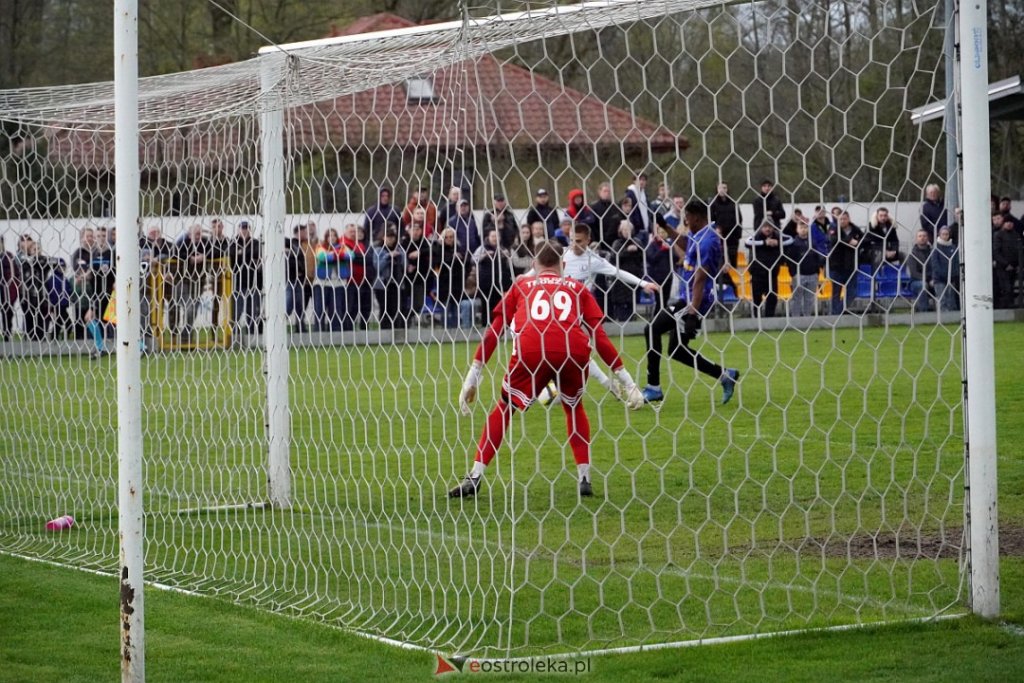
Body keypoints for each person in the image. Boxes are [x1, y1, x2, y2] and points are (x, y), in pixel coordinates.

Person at [449, 240, 644, 499]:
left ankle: (474, 477)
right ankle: (584, 478)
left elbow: (493, 331)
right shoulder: (576, 287)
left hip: (532, 349)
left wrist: (472, 377)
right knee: (574, 406)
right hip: (572, 350)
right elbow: (599, 337)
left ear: (533, 265)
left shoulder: (521, 285)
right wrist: (628, 382)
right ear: (563, 266)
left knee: (505, 408)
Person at [531, 222, 659, 406]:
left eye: (580, 241)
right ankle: (609, 384)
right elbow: (538, 269)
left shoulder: (594, 259)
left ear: (588, 241)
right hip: (559, 314)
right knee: (577, 352)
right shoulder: (561, 255)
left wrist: (643, 283)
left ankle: (628, 386)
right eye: (573, 240)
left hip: (581, 310)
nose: (575, 244)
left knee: (594, 344)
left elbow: (617, 272)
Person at [641, 199, 741, 406]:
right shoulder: (700, 234)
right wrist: (666, 227)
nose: (685, 220)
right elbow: (687, 245)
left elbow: (700, 279)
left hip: (694, 300)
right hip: (690, 298)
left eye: (687, 217)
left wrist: (692, 314)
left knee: (652, 329)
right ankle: (725, 375)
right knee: (677, 350)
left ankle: (653, 387)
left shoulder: (707, 241)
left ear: (696, 217)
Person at [745, 216, 792, 318]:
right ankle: (756, 321)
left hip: (772, 274)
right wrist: (764, 243)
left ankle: (769, 321)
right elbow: (747, 242)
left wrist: (778, 243)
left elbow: (790, 240)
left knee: (772, 299)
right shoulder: (756, 236)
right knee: (757, 299)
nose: (767, 229)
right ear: (761, 227)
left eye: (770, 226)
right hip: (757, 274)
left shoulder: (777, 236)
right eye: (765, 226)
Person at [472, 229, 515, 325]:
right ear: (488, 237)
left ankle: (499, 325)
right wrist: (484, 256)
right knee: (486, 304)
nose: (495, 238)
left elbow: (510, 266)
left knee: (499, 305)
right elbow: (473, 260)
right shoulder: (482, 248)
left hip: (500, 283)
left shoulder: (503, 249)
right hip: (486, 283)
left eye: (497, 236)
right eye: (493, 236)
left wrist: (507, 257)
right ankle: (485, 325)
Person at [228, 220, 263, 335]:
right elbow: (232, 256)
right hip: (238, 283)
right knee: (237, 311)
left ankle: (252, 335)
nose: (245, 230)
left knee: (252, 311)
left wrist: (242, 253)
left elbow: (257, 255)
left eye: (246, 228)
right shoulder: (233, 243)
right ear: (238, 229)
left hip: (254, 283)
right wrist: (247, 255)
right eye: (242, 228)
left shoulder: (255, 242)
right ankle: (235, 335)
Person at [608, 220, 646, 321]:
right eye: (624, 229)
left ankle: (631, 322)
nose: (626, 231)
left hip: (634, 278)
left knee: (632, 303)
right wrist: (627, 251)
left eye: (628, 229)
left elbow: (643, 257)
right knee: (621, 304)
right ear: (620, 231)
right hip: (621, 279)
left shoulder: (637, 242)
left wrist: (637, 250)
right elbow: (614, 257)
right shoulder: (617, 243)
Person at [784, 221, 824, 317]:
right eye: (801, 227)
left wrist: (817, 271)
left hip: (812, 275)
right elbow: (789, 260)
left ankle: (807, 318)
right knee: (797, 298)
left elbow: (817, 257)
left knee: (809, 299)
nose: (803, 230)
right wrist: (794, 274)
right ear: (797, 230)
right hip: (799, 275)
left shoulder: (813, 242)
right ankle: (795, 319)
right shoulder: (793, 244)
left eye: (805, 227)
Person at [826, 211, 863, 314]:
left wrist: (858, 242)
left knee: (852, 292)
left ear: (849, 219)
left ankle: (839, 311)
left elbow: (864, 241)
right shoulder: (833, 229)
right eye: (840, 219)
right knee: (836, 293)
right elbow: (833, 240)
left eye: (844, 219)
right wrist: (849, 241)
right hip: (836, 266)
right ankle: (835, 315)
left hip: (851, 266)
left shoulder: (855, 229)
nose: (842, 221)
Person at [312, 228, 348, 332]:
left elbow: (350, 255)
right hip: (321, 283)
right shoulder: (320, 247)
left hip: (338, 283)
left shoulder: (343, 246)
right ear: (326, 237)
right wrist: (337, 255)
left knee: (336, 310)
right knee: (319, 310)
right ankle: (318, 333)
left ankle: (336, 334)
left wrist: (336, 255)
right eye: (329, 235)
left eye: (334, 235)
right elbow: (322, 257)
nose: (332, 237)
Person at [372, 226, 407, 329]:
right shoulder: (378, 250)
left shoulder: (399, 250)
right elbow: (378, 266)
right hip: (383, 285)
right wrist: (388, 256)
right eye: (388, 237)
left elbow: (404, 265)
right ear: (383, 237)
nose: (391, 239)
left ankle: (396, 331)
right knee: (385, 309)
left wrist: (399, 257)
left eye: (393, 237)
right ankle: (384, 332)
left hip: (397, 284)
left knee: (397, 308)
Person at [709, 182, 741, 294]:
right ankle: (729, 292)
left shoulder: (733, 204)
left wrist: (737, 236)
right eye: (720, 187)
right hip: (718, 240)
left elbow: (739, 220)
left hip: (732, 240)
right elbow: (710, 221)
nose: (722, 189)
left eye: (725, 187)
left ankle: (730, 291)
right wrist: (716, 229)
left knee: (729, 267)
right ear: (716, 189)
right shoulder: (712, 204)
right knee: (720, 267)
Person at [433, 227, 466, 329]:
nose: (449, 239)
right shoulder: (438, 249)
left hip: (457, 283)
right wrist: (452, 258)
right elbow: (436, 264)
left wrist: (460, 258)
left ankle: (457, 330)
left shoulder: (459, 248)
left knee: (456, 308)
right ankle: (445, 330)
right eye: (446, 237)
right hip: (444, 283)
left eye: (451, 237)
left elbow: (466, 263)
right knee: (445, 308)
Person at [285, 223, 315, 332]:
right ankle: (280, 326)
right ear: (299, 232)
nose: (306, 234)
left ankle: (300, 328)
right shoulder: (291, 243)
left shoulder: (304, 245)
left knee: (299, 306)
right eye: (304, 232)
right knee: (288, 305)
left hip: (300, 280)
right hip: (292, 278)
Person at [402, 219, 433, 322]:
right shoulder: (404, 242)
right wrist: (408, 266)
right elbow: (402, 255)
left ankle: (407, 319)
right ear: (409, 231)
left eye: (418, 229)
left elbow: (434, 249)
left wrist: (419, 252)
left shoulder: (424, 242)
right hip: (405, 278)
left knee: (418, 303)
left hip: (420, 278)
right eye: (413, 229)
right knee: (402, 303)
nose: (415, 232)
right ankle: (402, 322)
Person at [992, 216, 1021, 309]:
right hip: (1002, 267)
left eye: (1010, 222)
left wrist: (1017, 265)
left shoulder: (1016, 235)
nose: (1009, 224)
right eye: (1007, 222)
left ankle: (1010, 305)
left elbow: (1019, 251)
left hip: (1014, 266)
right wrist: (1006, 264)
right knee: (1006, 287)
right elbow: (996, 252)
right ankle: (1005, 307)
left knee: (1011, 287)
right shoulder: (998, 235)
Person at [929, 226, 960, 312]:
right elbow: (935, 264)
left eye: (946, 234)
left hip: (951, 278)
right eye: (943, 234)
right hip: (939, 279)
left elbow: (956, 262)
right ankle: (943, 318)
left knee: (951, 299)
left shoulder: (953, 247)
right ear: (939, 235)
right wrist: (943, 274)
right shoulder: (935, 248)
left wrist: (954, 273)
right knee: (942, 299)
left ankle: (952, 317)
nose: (945, 236)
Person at [589, 182, 627, 251]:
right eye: (605, 191)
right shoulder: (594, 208)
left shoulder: (615, 207)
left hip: (615, 242)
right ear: (599, 192)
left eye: (609, 191)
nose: (607, 193)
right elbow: (593, 227)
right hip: (601, 241)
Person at [906, 229, 932, 313]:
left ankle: (948, 310)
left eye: (924, 236)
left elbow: (935, 268)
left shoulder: (933, 252)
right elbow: (914, 273)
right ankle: (924, 311)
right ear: (916, 239)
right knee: (923, 285)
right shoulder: (912, 254)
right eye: (920, 236)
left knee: (941, 283)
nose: (922, 238)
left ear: (927, 238)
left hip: (932, 279)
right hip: (915, 281)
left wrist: (934, 279)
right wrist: (926, 279)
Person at [0, 241, 18, 340]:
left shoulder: (8, 257)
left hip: (6, 293)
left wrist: (13, 294)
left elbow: (14, 276)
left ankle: (7, 339)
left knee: (7, 316)